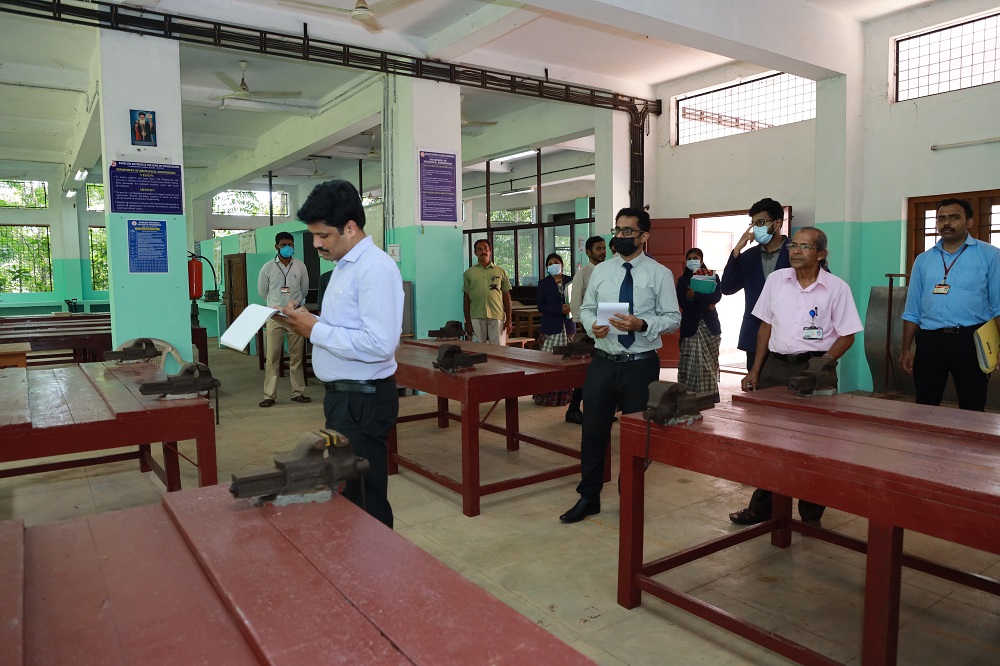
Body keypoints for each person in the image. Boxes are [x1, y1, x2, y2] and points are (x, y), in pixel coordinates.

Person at [279, 180, 403, 528]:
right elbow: (346, 327)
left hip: (363, 400)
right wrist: (307, 321)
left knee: (366, 495)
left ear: (350, 228)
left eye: (323, 235)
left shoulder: (374, 268)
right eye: (313, 235)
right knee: (350, 492)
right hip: (345, 398)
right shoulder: (344, 267)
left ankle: (379, 557)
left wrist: (315, 331)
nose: (316, 244)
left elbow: (380, 344)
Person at [729, 227, 863, 526]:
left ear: (821, 254)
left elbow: (847, 335)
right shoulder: (777, 280)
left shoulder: (836, 288)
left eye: (805, 246)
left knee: (815, 444)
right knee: (769, 441)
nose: (796, 251)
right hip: (775, 367)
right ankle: (763, 508)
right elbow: (765, 326)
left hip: (816, 370)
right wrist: (755, 369)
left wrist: (823, 364)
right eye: (793, 246)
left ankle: (811, 515)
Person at [559, 207, 681, 523]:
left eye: (628, 231)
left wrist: (643, 324)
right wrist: (592, 325)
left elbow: (673, 318)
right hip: (603, 361)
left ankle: (630, 496)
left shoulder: (659, 273)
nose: (621, 236)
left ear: (644, 236)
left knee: (638, 435)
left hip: (640, 365)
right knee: (593, 432)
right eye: (618, 230)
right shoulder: (602, 271)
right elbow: (587, 308)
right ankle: (589, 497)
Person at [900, 198, 1000, 411]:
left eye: (954, 217)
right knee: (925, 405)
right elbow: (912, 310)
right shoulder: (923, 260)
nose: (946, 223)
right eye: (941, 218)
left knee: (972, 406)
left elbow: (998, 306)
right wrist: (906, 349)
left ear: (969, 222)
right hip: (930, 341)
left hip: (972, 340)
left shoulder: (990, 255)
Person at [720, 198, 791, 370]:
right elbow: (727, 288)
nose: (755, 228)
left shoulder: (795, 252)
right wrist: (736, 251)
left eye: (761, 222)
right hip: (754, 334)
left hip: (789, 335)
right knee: (755, 384)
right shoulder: (748, 257)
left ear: (777, 223)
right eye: (753, 224)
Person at [257, 231, 311, 408]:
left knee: (297, 356)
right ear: (276, 246)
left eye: (290, 244)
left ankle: (298, 393)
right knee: (272, 357)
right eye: (283, 245)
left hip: (295, 316)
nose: (287, 247)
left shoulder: (300, 266)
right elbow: (262, 292)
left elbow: (304, 290)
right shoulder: (268, 268)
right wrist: (275, 305)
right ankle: (269, 395)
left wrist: (294, 306)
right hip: (274, 317)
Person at [676, 248, 722, 402]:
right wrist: (707, 306)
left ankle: (707, 399)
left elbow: (716, 297)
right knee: (691, 367)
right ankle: (688, 400)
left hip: (710, 327)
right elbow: (684, 304)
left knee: (708, 366)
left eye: (695, 258)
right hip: (690, 327)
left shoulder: (712, 277)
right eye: (689, 258)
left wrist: (695, 296)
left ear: (701, 259)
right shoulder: (683, 281)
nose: (692, 261)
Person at [532, 253, 576, 406]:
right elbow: (541, 306)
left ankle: (564, 396)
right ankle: (546, 396)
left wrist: (572, 308)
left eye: (556, 262)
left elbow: (579, 300)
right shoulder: (543, 284)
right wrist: (559, 309)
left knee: (566, 363)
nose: (553, 265)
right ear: (546, 267)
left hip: (568, 326)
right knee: (549, 362)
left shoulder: (571, 281)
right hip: (551, 326)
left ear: (562, 264)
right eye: (550, 263)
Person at [463, 239, 512, 345]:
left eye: (486, 249)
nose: (483, 252)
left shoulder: (500, 271)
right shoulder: (469, 273)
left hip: (497, 314)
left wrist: (509, 319)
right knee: (477, 349)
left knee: (498, 349)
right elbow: (466, 298)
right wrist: (468, 322)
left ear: (490, 251)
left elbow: (506, 295)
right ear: (475, 253)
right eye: (480, 249)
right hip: (476, 315)